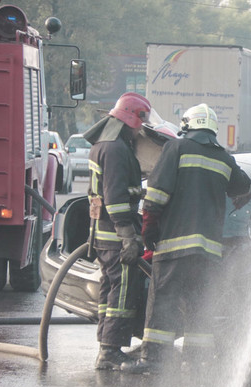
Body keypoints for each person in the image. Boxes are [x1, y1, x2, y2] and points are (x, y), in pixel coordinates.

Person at [121, 104, 251, 374]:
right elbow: (243, 186)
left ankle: (154, 359)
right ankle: (196, 361)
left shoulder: (176, 148)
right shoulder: (223, 158)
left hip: (174, 247)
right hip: (208, 253)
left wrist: (149, 230)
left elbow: (156, 194)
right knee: (199, 305)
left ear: (187, 125)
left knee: (163, 301)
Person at [85, 92, 150, 370]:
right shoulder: (115, 150)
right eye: (139, 124)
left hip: (103, 233)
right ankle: (111, 351)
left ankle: (105, 347)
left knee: (109, 290)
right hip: (116, 235)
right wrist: (127, 237)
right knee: (121, 292)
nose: (139, 131)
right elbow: (115, 198)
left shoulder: (104, 145)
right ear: (131, 120)